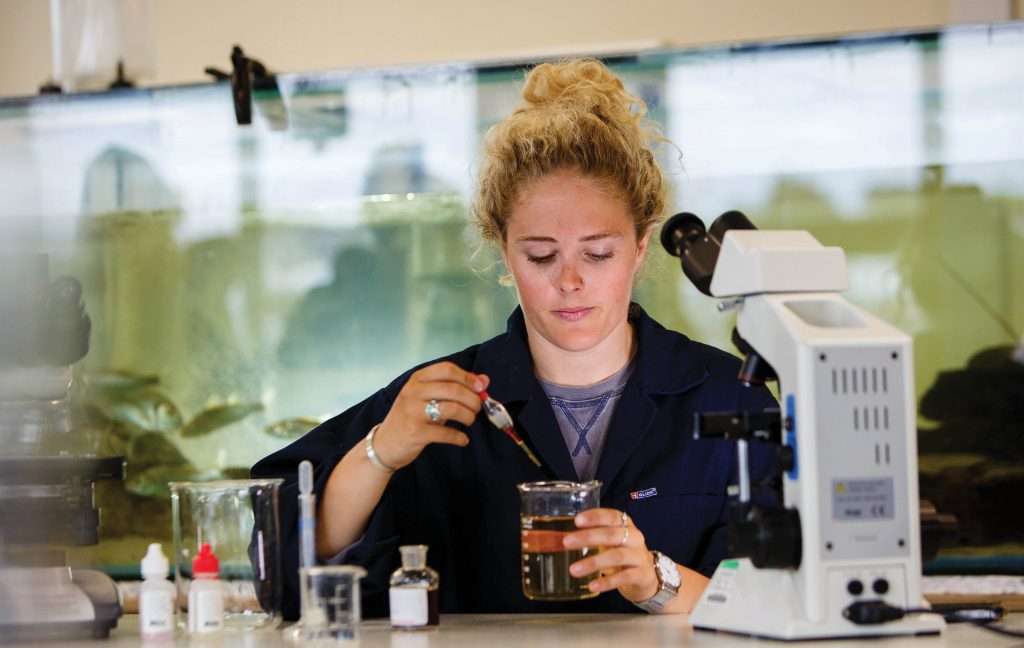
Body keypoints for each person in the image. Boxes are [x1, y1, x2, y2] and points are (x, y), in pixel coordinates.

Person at [252, 58, 776, 619]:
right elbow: (281, 574)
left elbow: (788, 602)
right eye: (541, 255)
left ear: (642, 247)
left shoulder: (731, 400)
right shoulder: (440, 407)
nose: (570, 280)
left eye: (598, 253)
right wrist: (380, 453)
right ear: (505, 252)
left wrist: (657, 580)